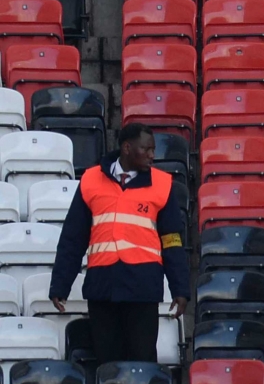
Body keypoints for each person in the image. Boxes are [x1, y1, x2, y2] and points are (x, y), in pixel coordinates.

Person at [49, 123, 191, 364]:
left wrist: (180, 289)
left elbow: (172, 241)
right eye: (145, 149)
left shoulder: (162, 185)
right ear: (127, 148)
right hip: (103, 288)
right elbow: (73, 239)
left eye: (153, 149)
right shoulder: (91, 180)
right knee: (107, 363)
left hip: (142, 288)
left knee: (142, 362)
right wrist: (60, 285)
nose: (152, 155)